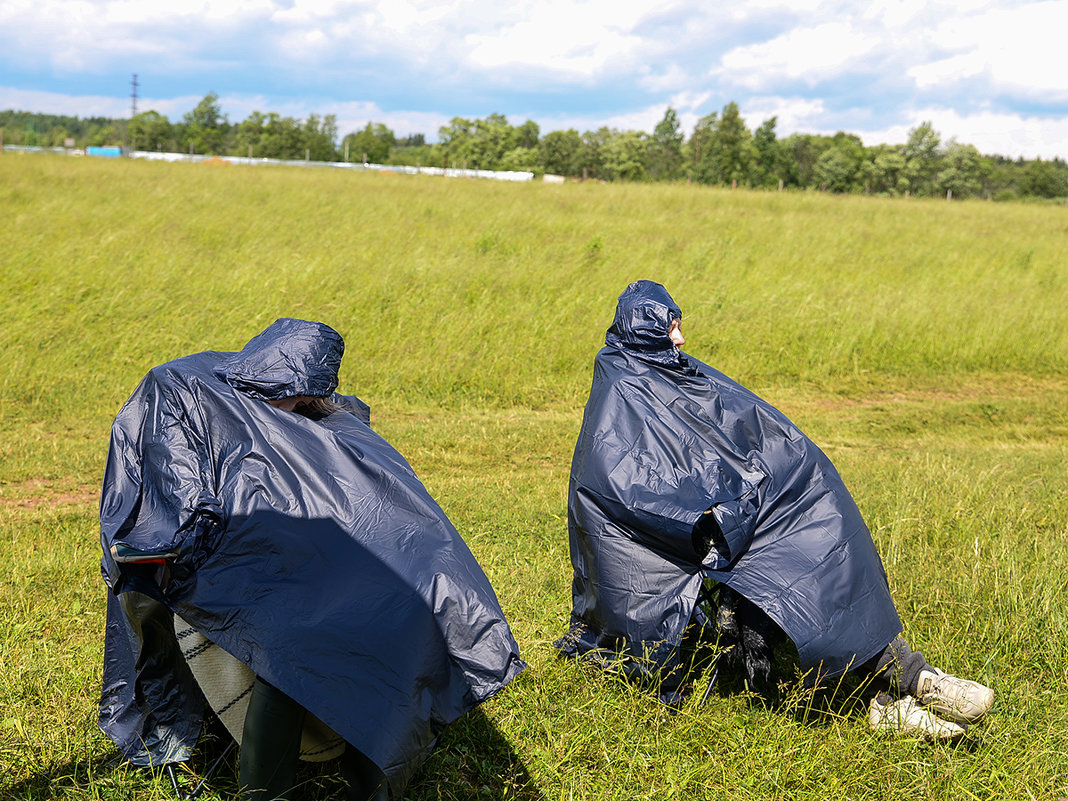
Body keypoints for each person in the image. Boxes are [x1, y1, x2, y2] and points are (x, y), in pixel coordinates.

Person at [99, 318, 525, 799]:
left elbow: (380, 495)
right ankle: (268, 790)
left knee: (415, 607)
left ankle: (377, 773)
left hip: (308, 560)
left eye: (303, 402)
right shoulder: (183, 388)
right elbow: (175, 494)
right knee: (297, 642)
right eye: (286, 398)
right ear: (259, 370)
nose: (289, 411)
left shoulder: (324, 416)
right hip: (225, 563)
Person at [556, 281, 993, 740]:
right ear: (645, 331)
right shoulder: (621, 389)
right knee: (787, 564)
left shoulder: (673, 369)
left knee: (821, 509)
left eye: (679, 324)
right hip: (685, 535)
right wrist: (711, 512)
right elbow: (622, 485)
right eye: (671, 327)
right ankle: (881, 702)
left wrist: (778, 469)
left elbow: (738, 426)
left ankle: (914, 675)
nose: (681, 337)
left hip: (738, 509)